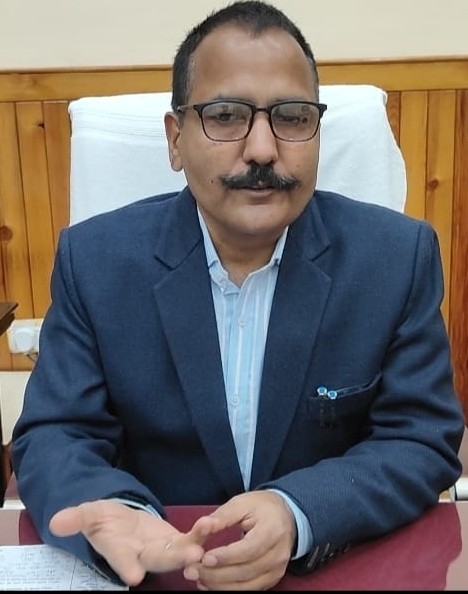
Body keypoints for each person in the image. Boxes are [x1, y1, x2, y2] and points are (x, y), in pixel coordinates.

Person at [11, 0, 465, 590]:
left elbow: (420, 437)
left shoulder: (395, 258)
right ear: (176, 140)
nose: (262, 150)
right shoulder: (95, 261)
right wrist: (119, 511)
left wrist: (297, 512)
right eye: (226, 116)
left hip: (329, 568)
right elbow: (55, 434)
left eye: (292, 117)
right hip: (158, 573)